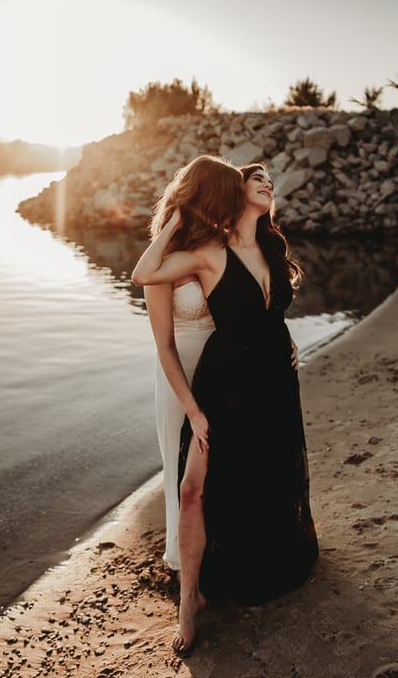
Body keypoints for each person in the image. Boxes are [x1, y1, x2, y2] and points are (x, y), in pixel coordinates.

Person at [132, 159, 318, 656]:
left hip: (269, 378)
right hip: (215, 379)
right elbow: (144, 275)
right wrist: (173, 216)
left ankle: (244, 562)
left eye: (267, 180)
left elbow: (268, 314)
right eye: (253, 179)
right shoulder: (208, 252)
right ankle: (189, 600)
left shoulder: (270, 248)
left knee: (259, 475)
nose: (266, 183)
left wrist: (288, 341)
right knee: (192, 486)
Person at [144, 157, 238, 571]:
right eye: (226, 198)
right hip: (180, 376)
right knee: (183, 467)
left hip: (225, 371)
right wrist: (192, 409)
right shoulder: (162, 263)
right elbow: (164, 345)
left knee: (224, 466)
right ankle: (184, 565)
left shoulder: (221, 246)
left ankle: (221, 555)